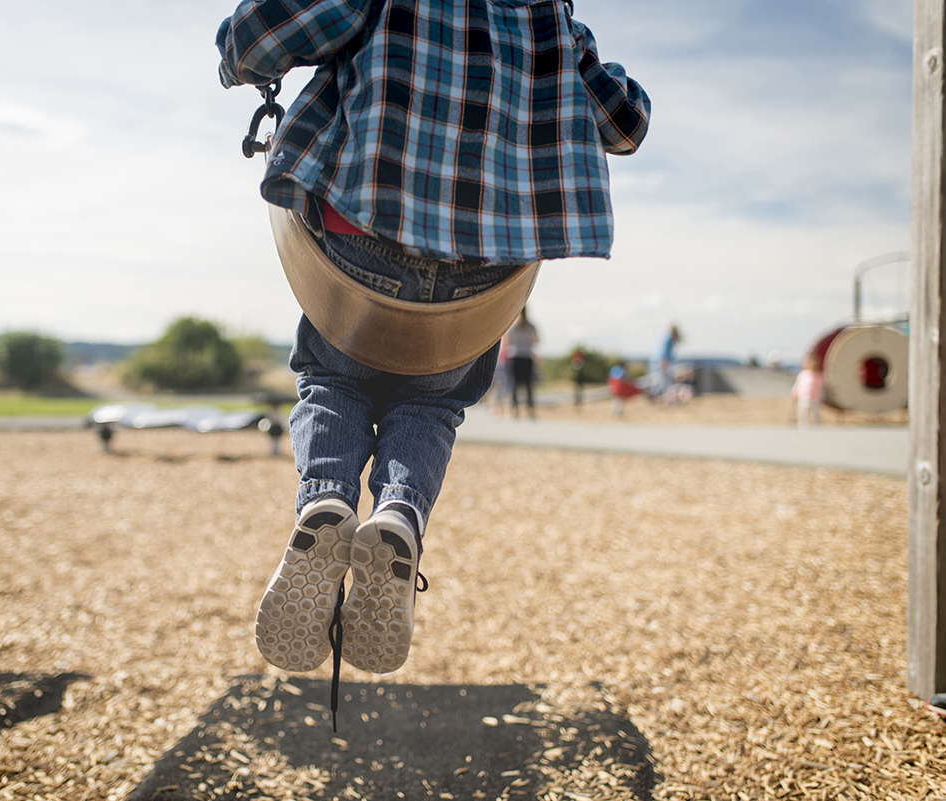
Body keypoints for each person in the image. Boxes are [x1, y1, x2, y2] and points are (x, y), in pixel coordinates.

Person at [218, 0, 650, 677]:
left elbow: (260, 35)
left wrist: (238, 61)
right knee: (433, 401)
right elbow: (625, 123)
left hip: (362, 232)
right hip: (483, 267)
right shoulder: (548, 16)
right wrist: (575, 51)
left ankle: (327, 498)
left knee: (331, 377)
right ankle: (397, 517)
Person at [506, 307, 539, 419]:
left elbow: (507, 342)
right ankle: (530, 411)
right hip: (527, 356)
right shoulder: (531, 327)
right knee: (528, 385)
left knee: (514, 384)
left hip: (515, 356)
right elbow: (537, 340)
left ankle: (514, 411)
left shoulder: (513, 327)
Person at [791, 354, 824, 427]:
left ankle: (817, 425)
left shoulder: (818, 375)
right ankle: (802, 425)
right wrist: (794, 393)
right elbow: (797, 385)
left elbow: (822, 386)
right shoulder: (803, 374)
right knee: (802, 413)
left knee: (815, 413)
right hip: (803, 396)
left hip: (815, 397)